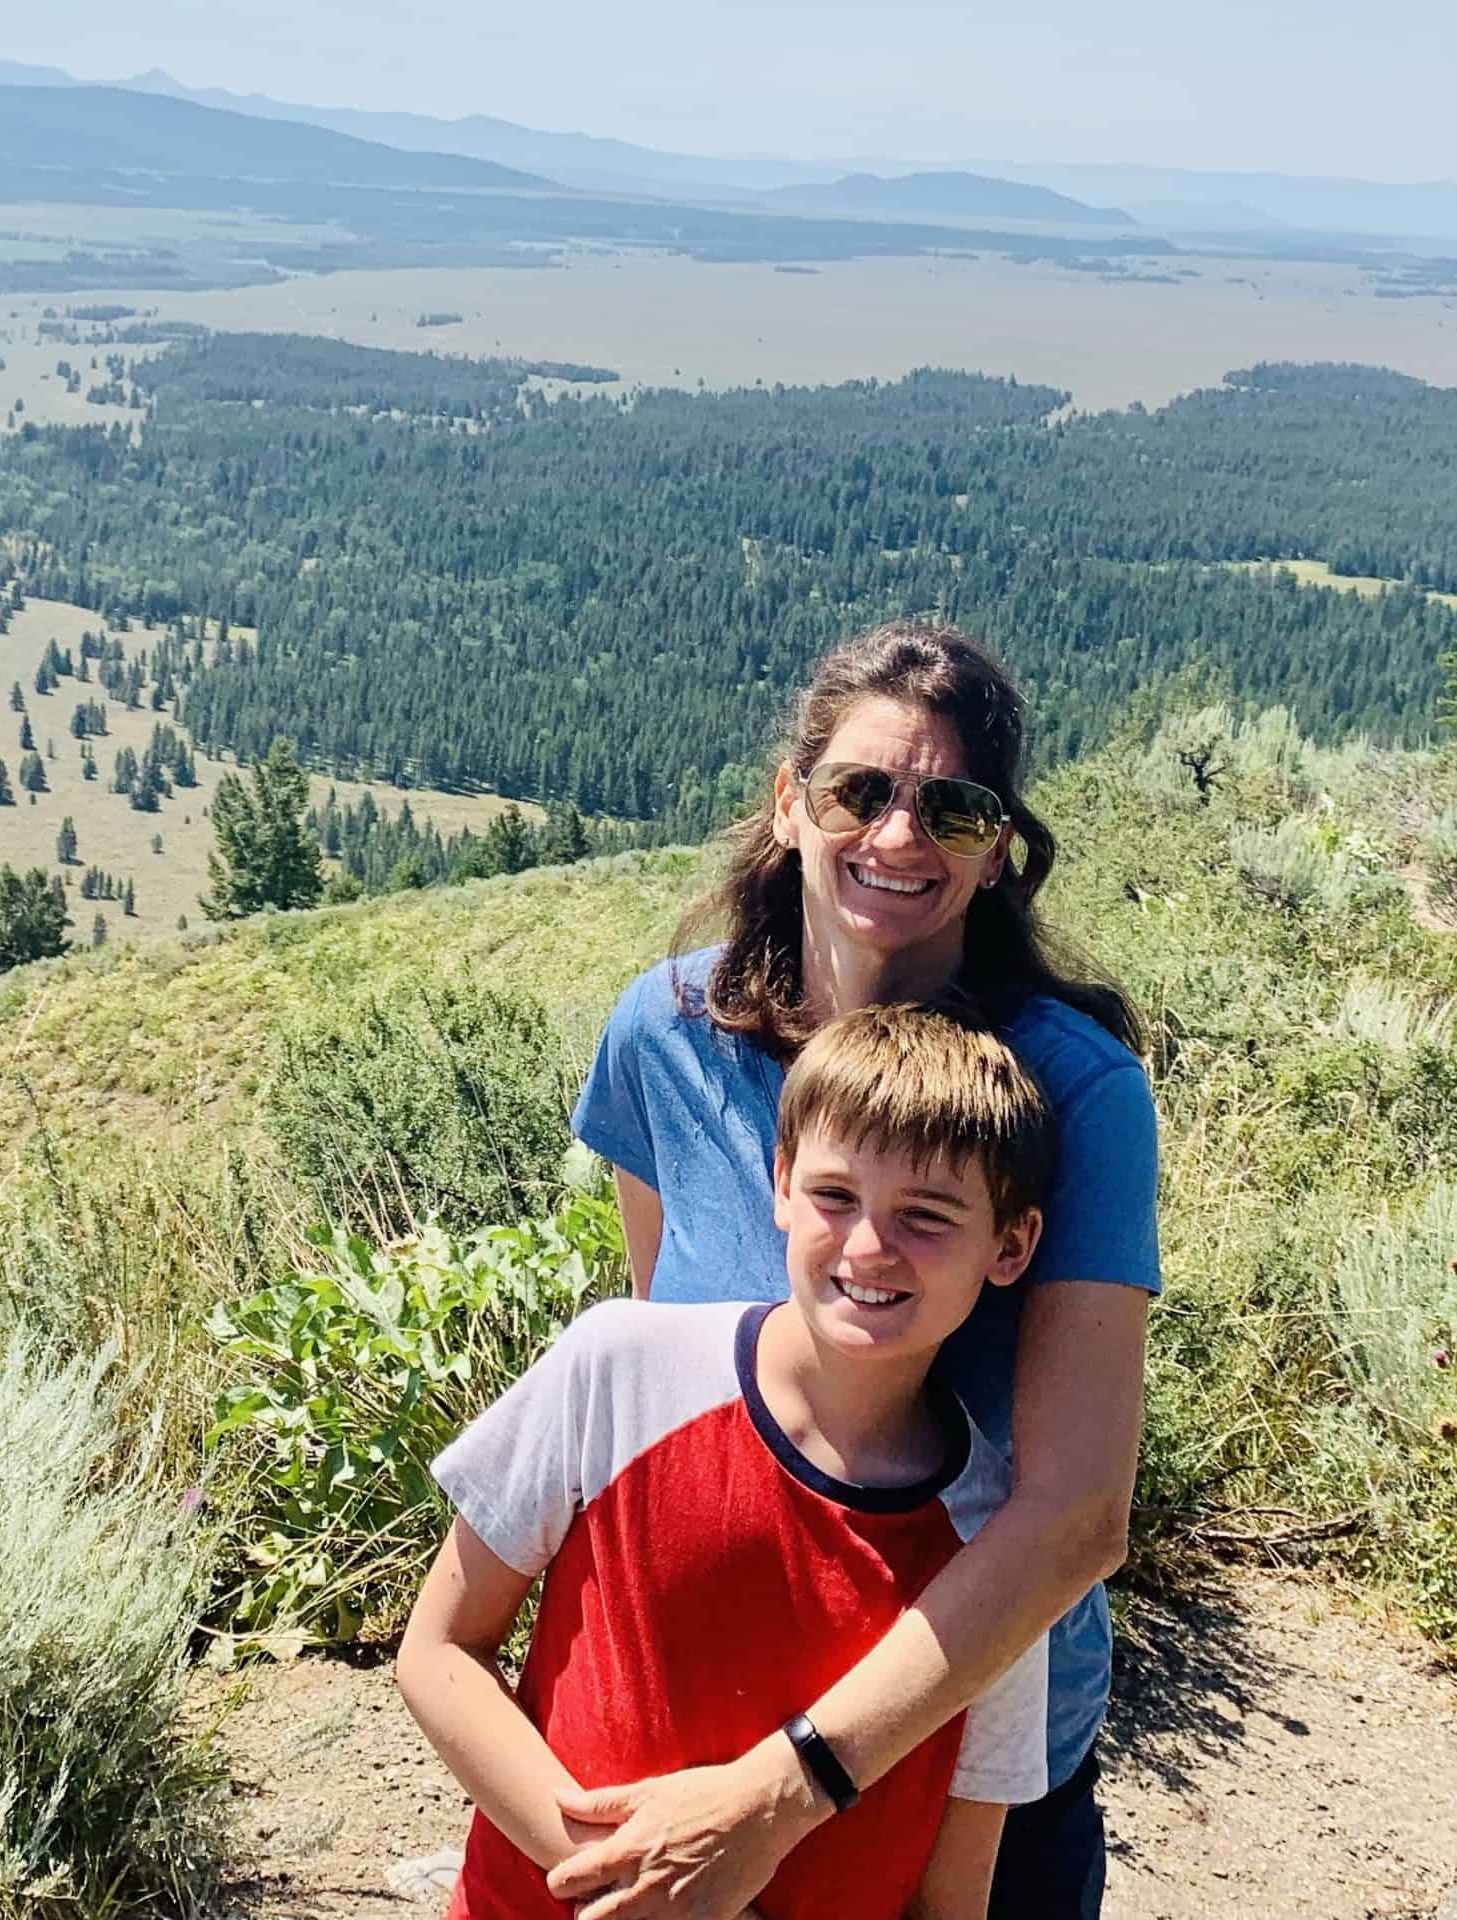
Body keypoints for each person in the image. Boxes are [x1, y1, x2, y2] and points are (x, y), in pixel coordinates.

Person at [551, 620, 1159, 1920]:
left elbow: (1075, 1516)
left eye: (953, 808)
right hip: (701, 1728)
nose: (898, 835)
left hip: (967, 1769)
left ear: (998, 847)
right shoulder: (663, 1037)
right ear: (789, 804)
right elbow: (671, 1378)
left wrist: (783, 1792)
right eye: (858, 791)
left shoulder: (1075, 1093)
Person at [398, 1004, 1060, 1919]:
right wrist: (643, 1886)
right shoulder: (621, 1367)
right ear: (781, 1182)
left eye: (926, 1215)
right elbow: (439, 1652)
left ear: (1011, 1244)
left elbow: (950, 1896)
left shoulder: (1001, 1554)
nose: (869, 1245)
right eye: (836, 1196)